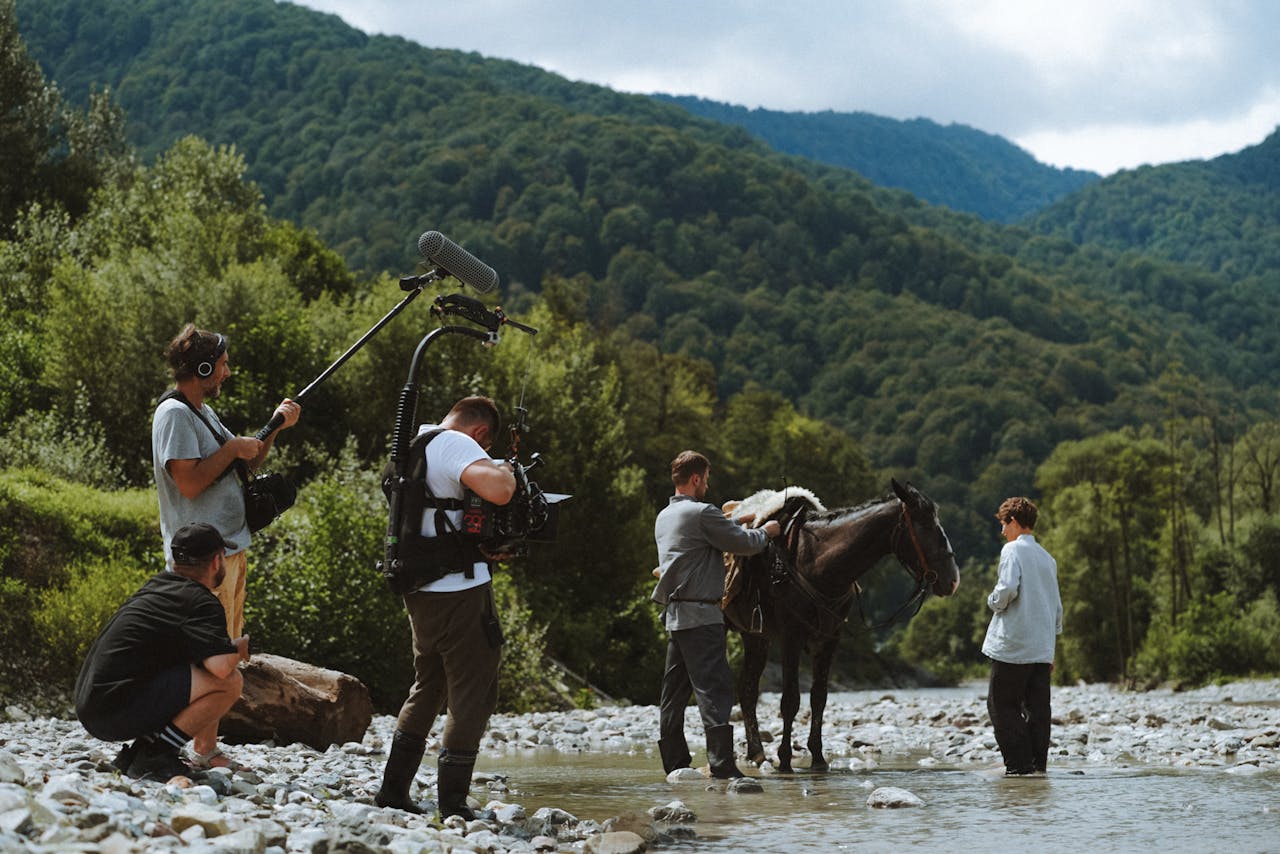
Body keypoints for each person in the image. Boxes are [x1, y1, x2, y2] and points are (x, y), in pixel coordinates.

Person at [375, 395, 516, 818]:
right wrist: (505, 469)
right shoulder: (456, 443)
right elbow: (500, 490)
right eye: (485, 447)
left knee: (429, 687)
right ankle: (453, 804)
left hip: (421, 589)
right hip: (459, 591)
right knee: (472, 695)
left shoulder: (414, 444)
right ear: (481, 433)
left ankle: (393, 791)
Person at [152, 323, 301, 639]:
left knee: (231, 650)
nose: (228, 372)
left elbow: (243, 462)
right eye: (222, 365)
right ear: (203, 368)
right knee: (212, 658)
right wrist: (233, 447)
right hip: (202, 564)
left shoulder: (202, 411)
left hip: (229, 550)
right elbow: (189, 484)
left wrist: (276, 425)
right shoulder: (174, 415)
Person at [74, 523, 250, 780]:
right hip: (112, 711)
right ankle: (157, 755)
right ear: (216, 561)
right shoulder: (200, 601)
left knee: (185, 671)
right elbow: (221, 669)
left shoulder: (157, 585)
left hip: (92, 705)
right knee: (231, 683)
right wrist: (242, 647)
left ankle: (140, 751)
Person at [651, 450, 780, 779]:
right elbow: (743, 544)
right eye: (706, 479)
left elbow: (706, 535)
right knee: (715, 690)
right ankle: (723, 766)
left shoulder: (665, 516)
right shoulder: (702, 512)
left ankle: (676, 765)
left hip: (676, 617)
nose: (708, 485)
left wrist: (736, 521)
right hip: (703, 615)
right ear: (695, 479)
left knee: (674, 692)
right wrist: (768, 532)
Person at [982, 496, 1063, 777]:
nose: (1003, 532)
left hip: (1013, 644)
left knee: (1001, 705)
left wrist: (992, 602)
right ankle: (1038, 768)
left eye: (1004, 525)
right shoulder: (1048, 558)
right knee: (1038, 711)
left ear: (1013, 521)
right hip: (1041, 647)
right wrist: (1050, 650)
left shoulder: (1012, 550)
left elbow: (1006, 590)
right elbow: (1057, 607)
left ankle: (1019, 768)